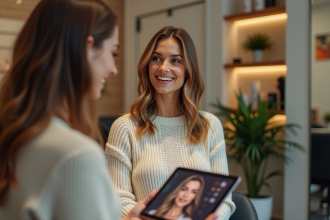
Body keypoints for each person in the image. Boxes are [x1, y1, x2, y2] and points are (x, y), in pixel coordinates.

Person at [0, 0, 158, 219]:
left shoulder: (16, 135)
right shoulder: (76, 156)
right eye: (113, 53)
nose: (113, 70)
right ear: (88, 47)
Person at [106, 26, 235, 220]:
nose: (163, 67)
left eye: (175, 61)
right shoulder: (124, 128)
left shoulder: (210, 125)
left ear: (188, 70)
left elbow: (224, 199)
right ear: (147, 64)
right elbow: (118, 199)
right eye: (156, 58)